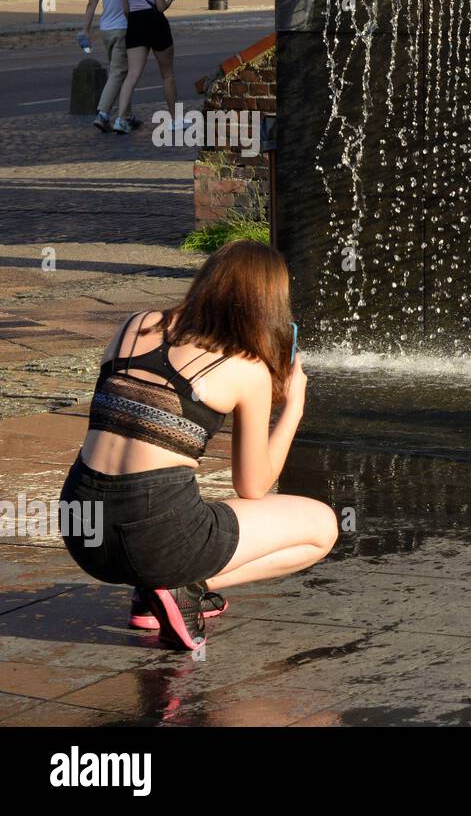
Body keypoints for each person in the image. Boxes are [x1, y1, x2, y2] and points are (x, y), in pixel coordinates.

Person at [59, 241, 338, 650]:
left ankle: (151, 593)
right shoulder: (245, 366)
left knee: (169, 494)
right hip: (157, 534)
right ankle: (178, 587)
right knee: (323, 527)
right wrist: (293, 405)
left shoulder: (136, 325)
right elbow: (254, 487)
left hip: (82, 529)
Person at [112, 0, 181, 136]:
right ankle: (175, 119)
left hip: (135, 24)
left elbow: (125, 8)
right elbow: (160, 7)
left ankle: (120, 119)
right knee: (167, 74)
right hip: (155, 24)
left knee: (132, 75)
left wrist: (135, 20)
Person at [80, 0, 141, 134]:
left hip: (106, 28)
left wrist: (85, 29)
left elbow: (91, 4)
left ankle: (127, 115)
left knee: (121, 72)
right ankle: (103, 113)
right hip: (124, 27)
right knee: (119, 73)